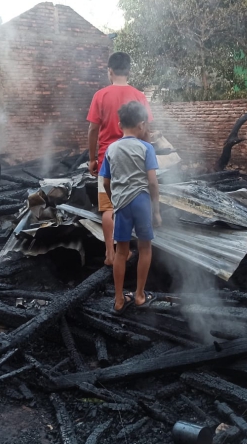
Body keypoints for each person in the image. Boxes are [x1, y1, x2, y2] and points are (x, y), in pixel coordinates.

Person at [87, 52, 153, 266]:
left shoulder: (101, 95)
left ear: (110, 71)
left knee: (108, 207)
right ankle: (131, 247)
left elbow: (92, 129)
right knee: (134, 201)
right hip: (135, 158)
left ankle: (110, 253)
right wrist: (147, 151)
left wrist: (92, 159)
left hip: (108, 156)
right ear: (129, 70)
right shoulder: (139, 96)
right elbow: (147, 129)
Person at [100, 101, 161, 314]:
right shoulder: (146, 148)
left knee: (121, 252)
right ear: (142, 124)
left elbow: (105, 182)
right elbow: (152, 182)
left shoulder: (111, 149)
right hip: (142, 202)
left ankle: (118, 299)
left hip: (122, 204)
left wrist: (113, 200)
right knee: (145, 248)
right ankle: (140, 295)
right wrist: (156, 211)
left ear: (119, 124)